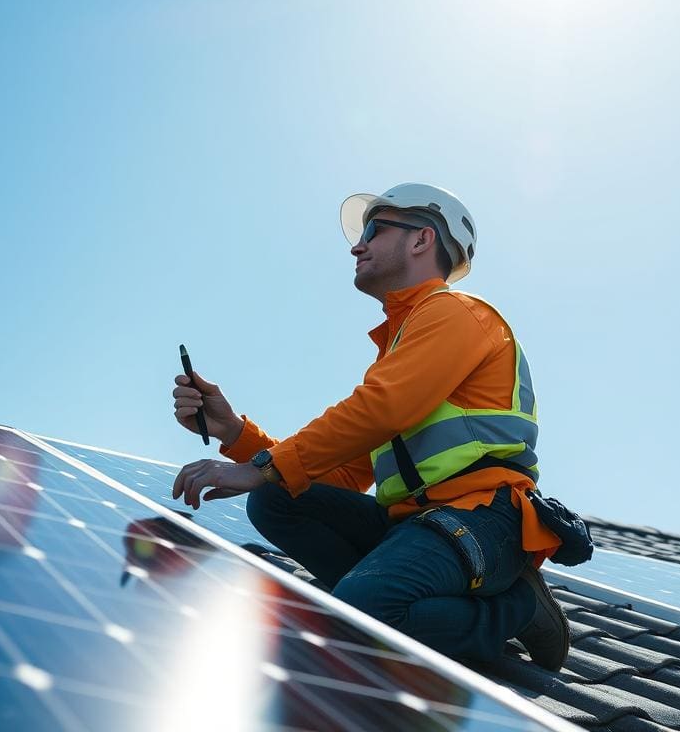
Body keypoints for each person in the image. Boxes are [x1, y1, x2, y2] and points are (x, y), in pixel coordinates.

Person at [171, 183, 570, 670]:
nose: (358, 245)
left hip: (485, 517)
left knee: (364, 613)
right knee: (277, 497)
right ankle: (381, 592)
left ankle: (519, 609)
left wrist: (262, 465)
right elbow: (343, 474)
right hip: (414, 526)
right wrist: (236, 434)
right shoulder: (402, 345)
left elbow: (382, 408)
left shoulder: (456, 313)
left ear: (422, 240)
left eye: (375, 229)